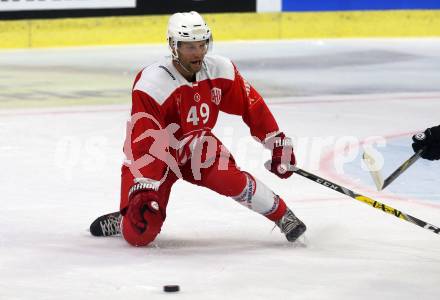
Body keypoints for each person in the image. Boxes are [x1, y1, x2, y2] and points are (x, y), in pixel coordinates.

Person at [114, 11, 306, 247]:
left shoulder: (220, 69)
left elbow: (252, 107)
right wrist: (144, 188)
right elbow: (145, 139)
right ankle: (124, 222)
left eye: (202, 44)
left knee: (232, 180)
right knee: (141, 231)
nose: (198, 52)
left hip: (198, 146)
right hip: (157, 155)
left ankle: (283, 215)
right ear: (174, 46)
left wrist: (276, 142)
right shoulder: (152, 83)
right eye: (189, 47)